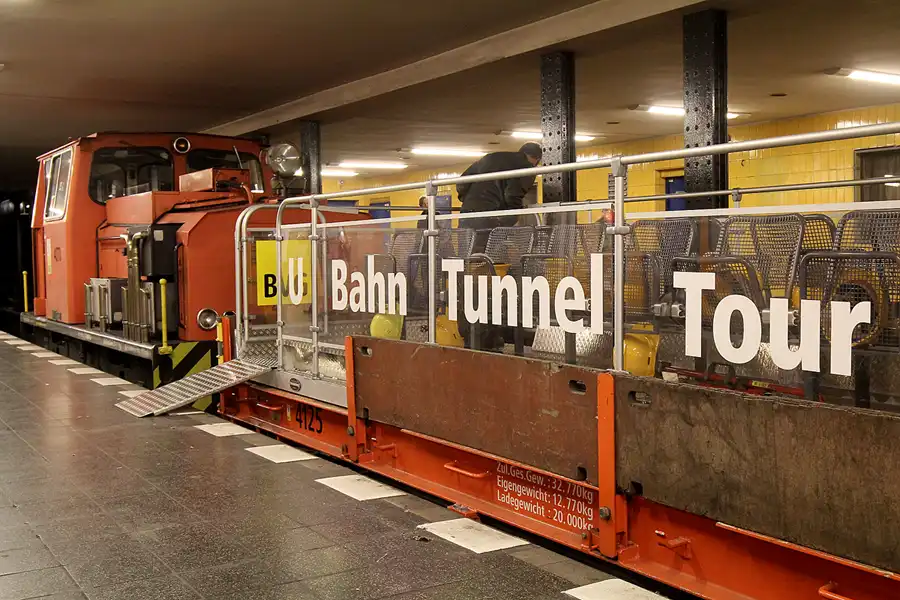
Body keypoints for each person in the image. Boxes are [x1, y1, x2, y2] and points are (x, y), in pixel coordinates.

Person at [456, 142, 542, 230]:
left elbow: (462, 182)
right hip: (491, 214)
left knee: (466, 243)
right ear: (537, 159)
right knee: (489, 242)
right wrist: (514, 215)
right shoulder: (527, 168)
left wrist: (467, 200)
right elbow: (512, 195)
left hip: (466, 212)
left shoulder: (491, 157)